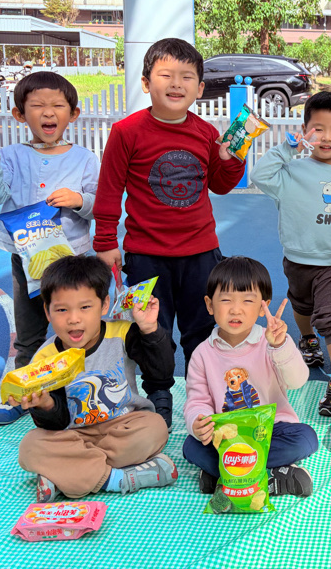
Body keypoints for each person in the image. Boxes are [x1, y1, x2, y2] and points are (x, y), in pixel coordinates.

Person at [93, 38, 247, 428]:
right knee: (151, 328)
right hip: (147, 255)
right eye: (166, 75)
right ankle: (159, 392)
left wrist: (230, 158)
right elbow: (109, 189)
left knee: (202, 327)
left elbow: (220, 185)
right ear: (146, 83)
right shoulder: (126, 132)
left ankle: (202, 391)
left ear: (200, 88)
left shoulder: (207, 133)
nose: (176, 84)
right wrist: (106, 240)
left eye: (186, 77)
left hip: (201, 252)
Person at [0, 71, 99, 426]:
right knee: (29, 332)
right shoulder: (10, 155)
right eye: (38, 105)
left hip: (72, 260)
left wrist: (79, 200)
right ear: (19, 114)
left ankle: (86, 390)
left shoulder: (85, 159)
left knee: (79, 326)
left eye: (57, 105)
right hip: (25, 259)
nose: (48, 112)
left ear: (73, 114)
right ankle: (20, 395)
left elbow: (100, 206)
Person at [13, 255, 178, 502]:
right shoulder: (45, 359)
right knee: (30, 447)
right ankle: (117, 479)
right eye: (62, 310)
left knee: (155, 427)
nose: (74, 318)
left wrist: (149, 330)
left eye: (85, 307)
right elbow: (56, 423)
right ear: (47, 312)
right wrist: (45, 405)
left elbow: (161, 372)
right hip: (73, 434)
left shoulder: (122, 333)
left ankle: (69, 473)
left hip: (124, 424)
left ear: (104, 305)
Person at [250, 91, 331, 416]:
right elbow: (259, 175)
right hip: (297, 259)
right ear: (305, 131)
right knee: (301, 305)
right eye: (318, 129)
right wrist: (287, 149)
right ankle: (307, 339)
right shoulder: (291, 171)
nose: (327, 137)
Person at [182, 256, 318, 498]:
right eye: (226, 300)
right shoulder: (202, 353)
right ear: (210, 305)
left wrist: (280, 346)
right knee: (191, 446)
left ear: (263, 307)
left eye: (247, 300)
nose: (236, 309)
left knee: (306, 439)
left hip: (272, 430)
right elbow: (197, 401)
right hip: (226, 436)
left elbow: (298, 380)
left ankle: (225, 474)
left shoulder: (273, 342)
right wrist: (198, 422)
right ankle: (273, 476)